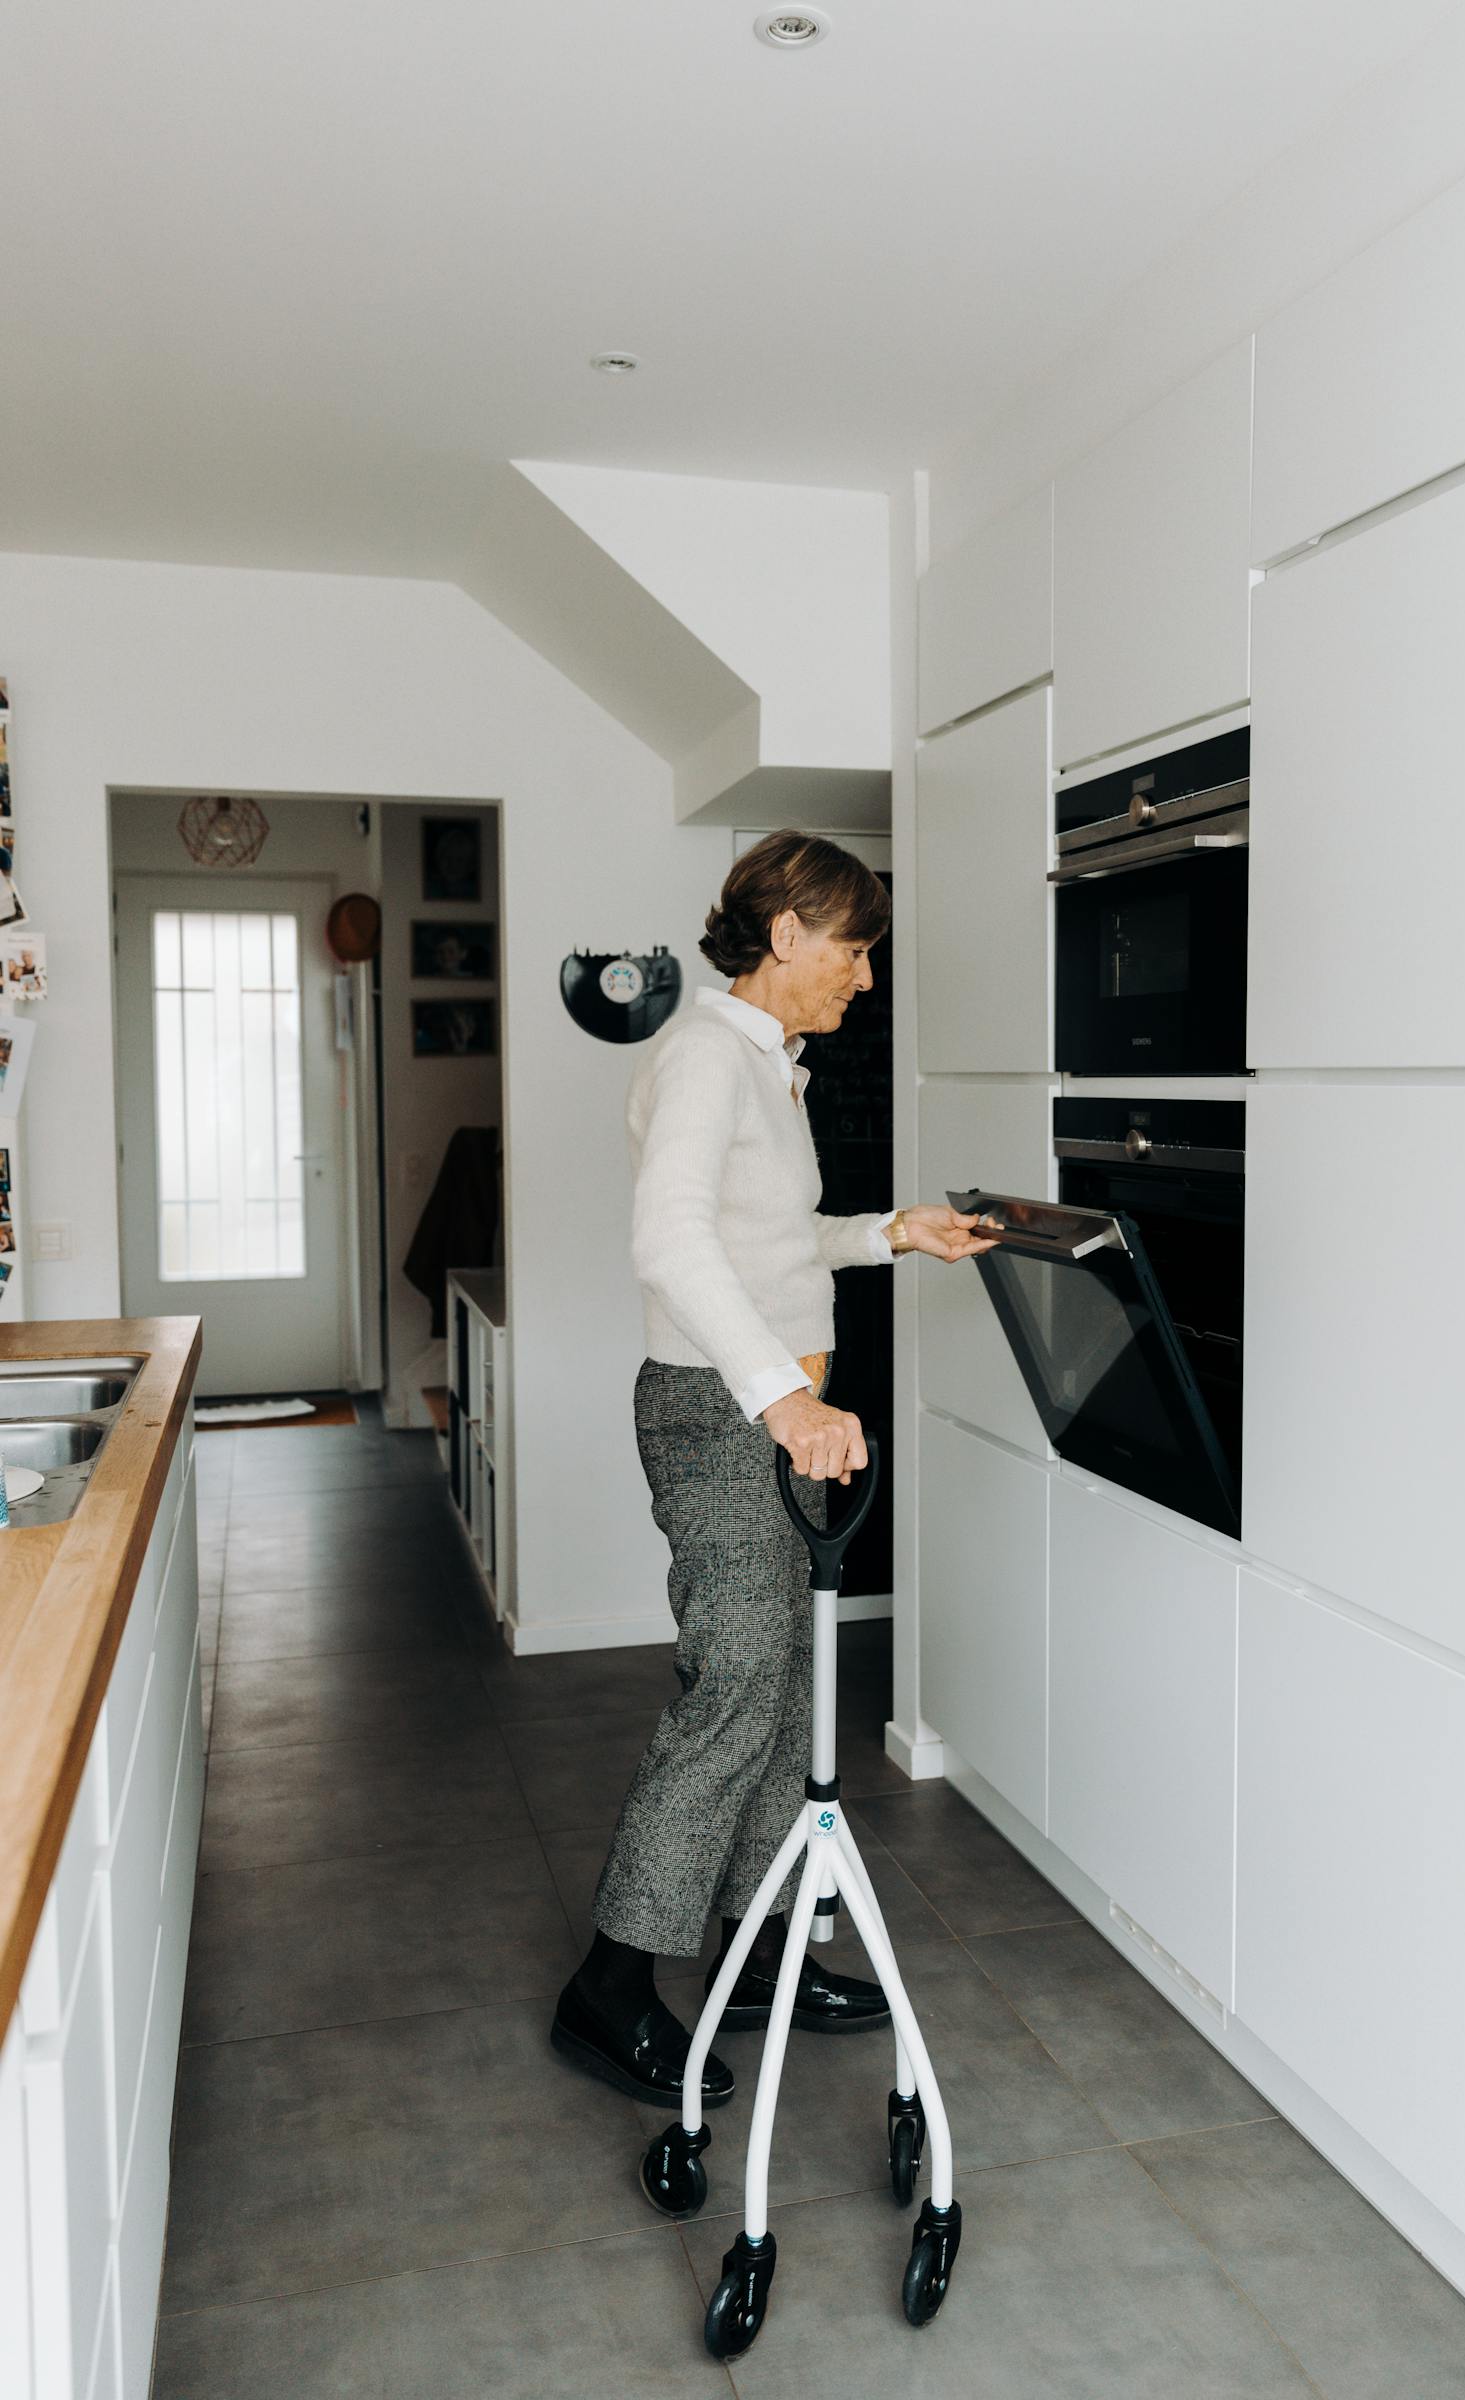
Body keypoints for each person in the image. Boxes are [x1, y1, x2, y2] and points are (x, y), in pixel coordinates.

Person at [551, 830, 995, 2109]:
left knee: (791, 1687)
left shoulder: (765, 1065)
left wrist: (887, 1233)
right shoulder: (702, 1054)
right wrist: (787, 1399)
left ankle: (757, 1962)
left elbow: (765, 1235)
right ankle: (612, 1982)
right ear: (788, 931)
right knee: (737, 1686)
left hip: (765, 1407)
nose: (863, 978)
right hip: (721, 1412)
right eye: (854, 951)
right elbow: (670, 1241)